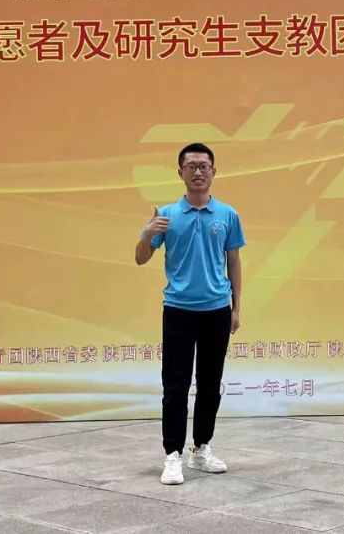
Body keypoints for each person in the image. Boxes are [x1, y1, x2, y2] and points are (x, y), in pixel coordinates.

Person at [135, 142, 245, 486]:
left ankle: (201, 448)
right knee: (176, 386)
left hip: (216, 311)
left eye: (204, 166)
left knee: (210, 386)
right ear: (180, 172)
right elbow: (140, 258)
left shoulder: (227, 215)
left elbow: (234, 263)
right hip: (178, 311)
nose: (198, 172)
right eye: (191, 166)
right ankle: (172, 455)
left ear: (214, 172)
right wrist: (148, 232)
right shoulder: (167, 215)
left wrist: (236, 308)